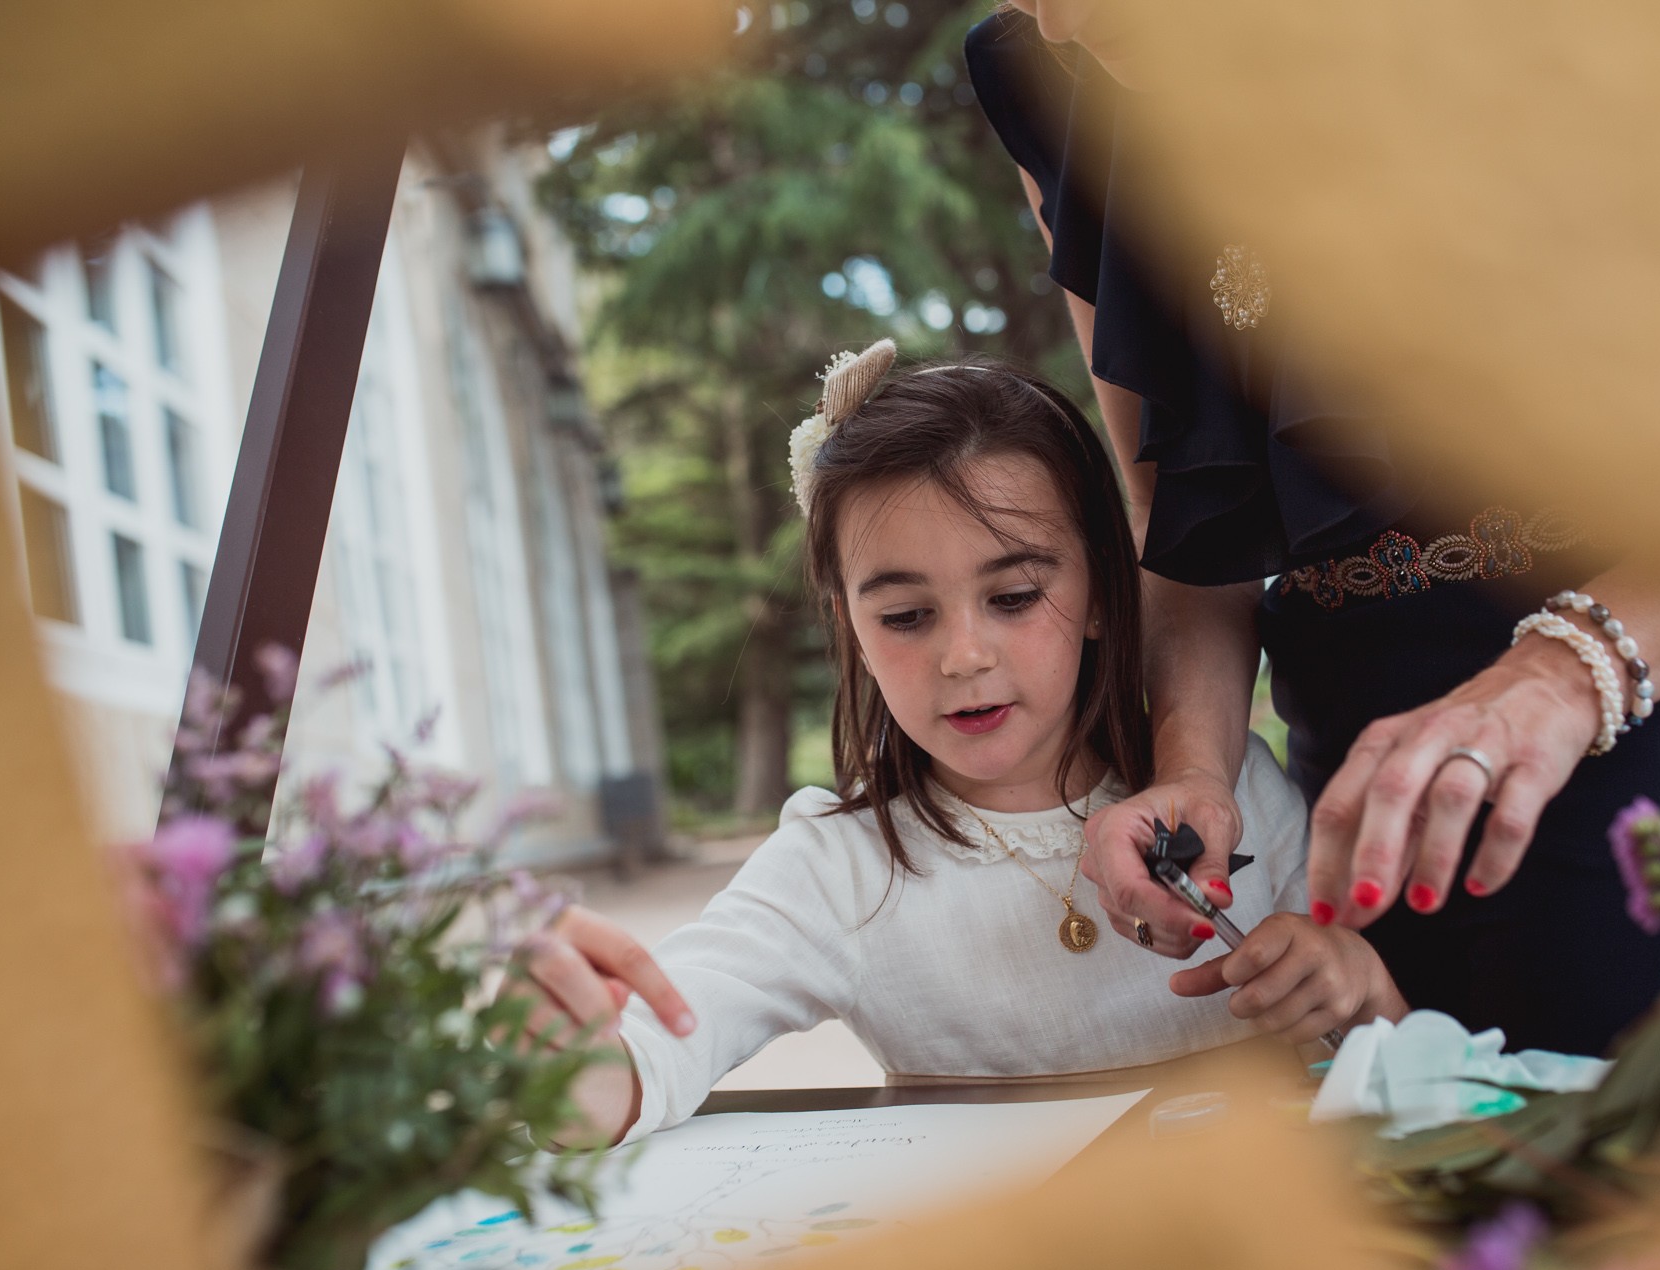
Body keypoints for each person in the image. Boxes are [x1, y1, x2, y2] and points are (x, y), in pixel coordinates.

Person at [965, 2, 1660, 1055]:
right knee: (1434, 1189)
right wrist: (1195, 771)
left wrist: (1559, 679)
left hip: (1649, 702)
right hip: (1357, 776)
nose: (1058, 23)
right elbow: (1184, 525)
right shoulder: (1048, 77)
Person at [519, 343, 1409, 1147]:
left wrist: (1357, 985)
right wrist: (569, 1055)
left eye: (1014, 596)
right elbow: (662, 1038)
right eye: (906, 616)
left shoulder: (1222, 788)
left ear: (1105, 591)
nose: (964, 656)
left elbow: (1396, 1060)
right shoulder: (839, 866)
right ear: (851, 627)